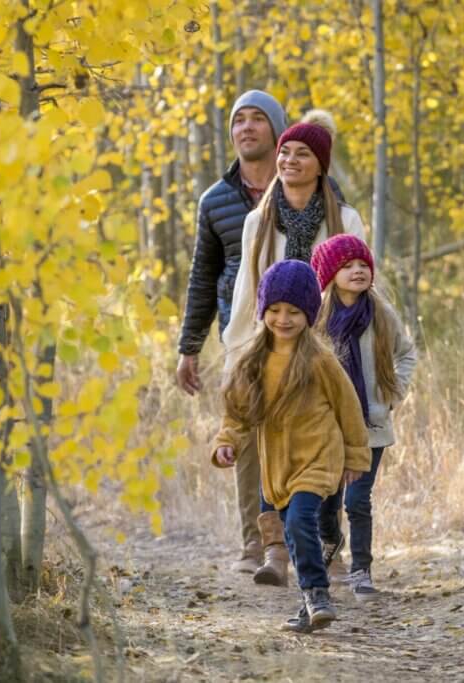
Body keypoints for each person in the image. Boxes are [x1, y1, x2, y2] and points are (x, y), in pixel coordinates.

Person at [221, 120, 369, 586]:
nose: (288, 161)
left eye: (302, 153)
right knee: (269, 450)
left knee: (323, 447)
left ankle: (329, 545)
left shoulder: (344, 219)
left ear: (320, 164)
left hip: (330, 349)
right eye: (285, 153)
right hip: (271, 345)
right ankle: (273, 550)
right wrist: (237, 351)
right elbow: (247, 291)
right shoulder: (257, 221)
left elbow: (363, 286)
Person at [211, 259, 371, 632]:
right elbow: (237, 414)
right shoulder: (252, 362)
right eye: (275, 310)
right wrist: (226, 441)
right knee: (295, 535)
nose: (283, 319)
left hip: (318, 456)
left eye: (294, 312)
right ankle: (307, 605)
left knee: (300, 521)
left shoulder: (320, 360)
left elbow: (349, 409)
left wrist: (356, 456)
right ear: (264, 310)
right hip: (278, 467)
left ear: (309, 314)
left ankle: (317, 594)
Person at [176, 90, 288, 573]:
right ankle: (256, 544)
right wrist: (189, 348)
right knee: (245, 435)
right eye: (238, 121)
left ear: (276, 129)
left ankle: (323, 546)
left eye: (257, 119)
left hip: (304, 330)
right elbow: (202, 275)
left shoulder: (306, 183)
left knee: (311, 433)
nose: (245, 128)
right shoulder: (216, 200)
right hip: (240, 334)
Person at [311, 234, 417, 601]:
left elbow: (407, 354)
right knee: (327, 498)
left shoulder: (380, 313)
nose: (357, 271)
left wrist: (392, 394)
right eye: (347, 266)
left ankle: (361, 570)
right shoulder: (316, 317)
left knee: (357, 500)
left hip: (371, 425)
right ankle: (330, 541)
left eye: (363, 265)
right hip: (329, 427)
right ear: (329, 274)